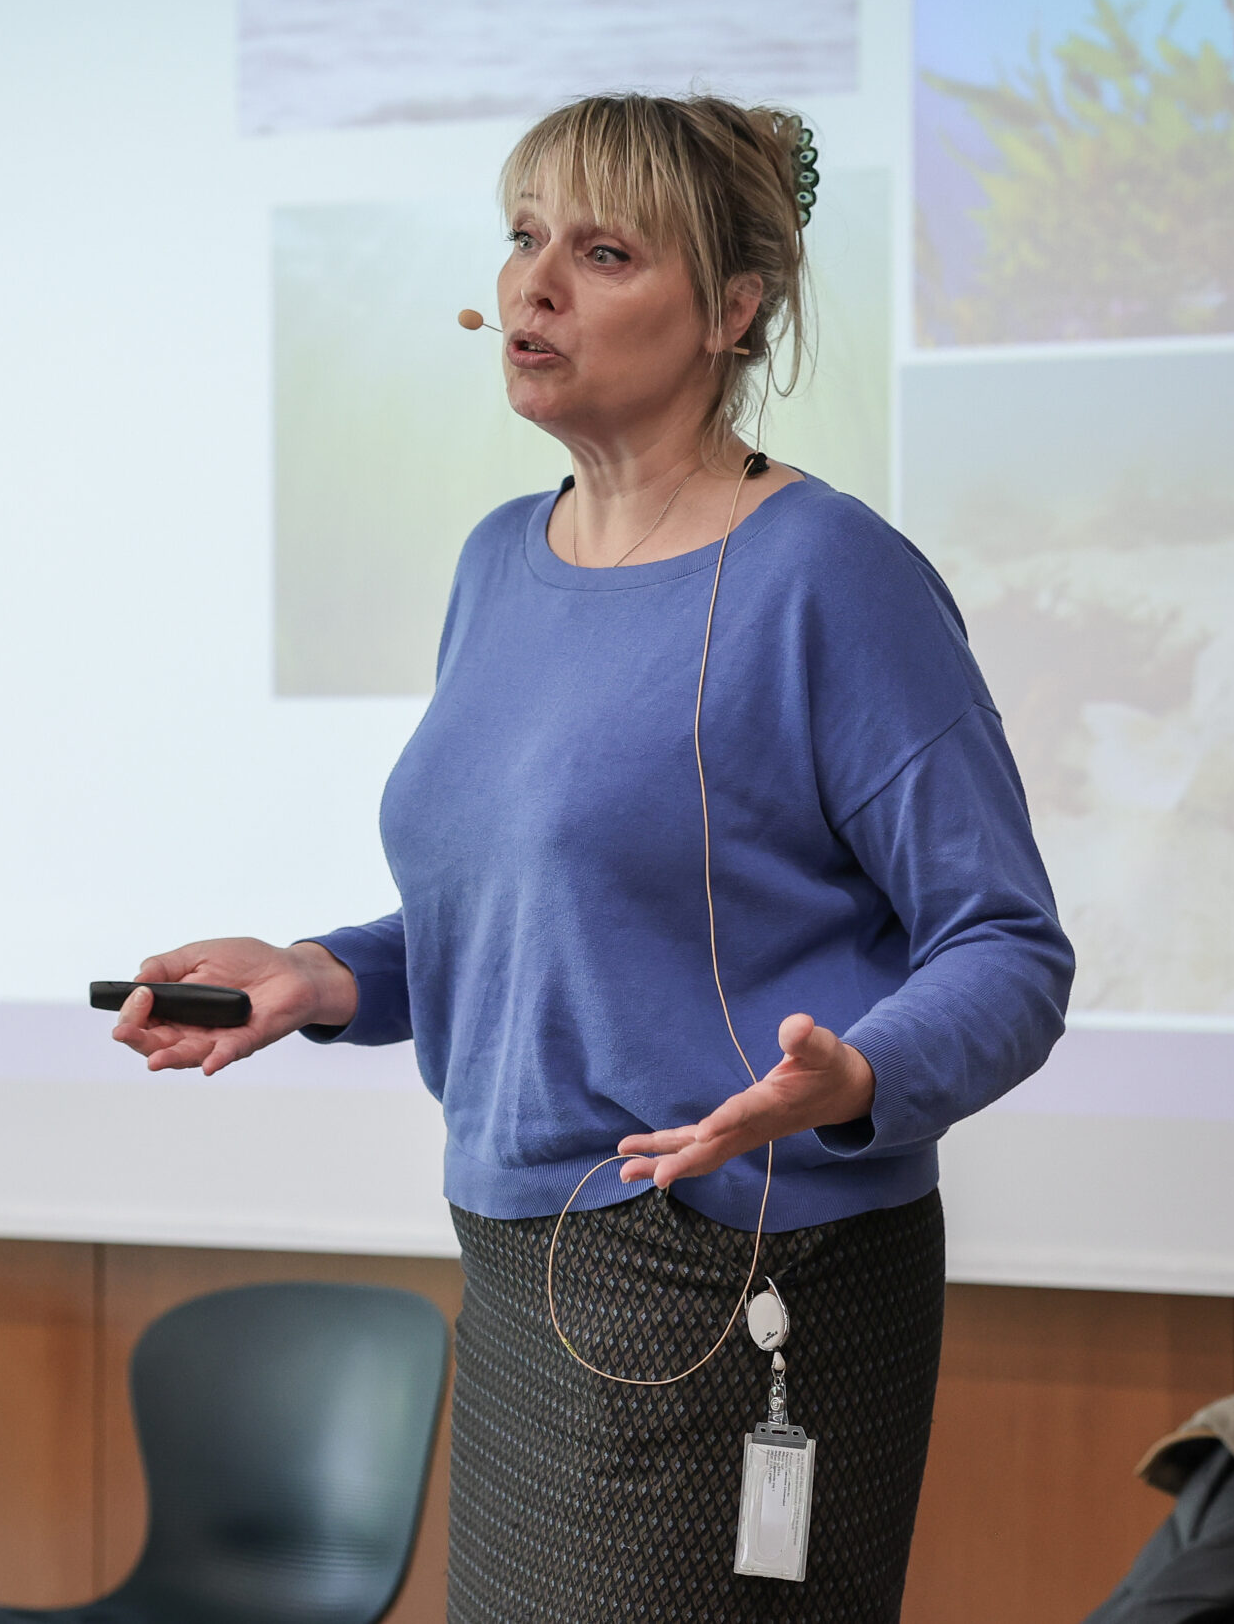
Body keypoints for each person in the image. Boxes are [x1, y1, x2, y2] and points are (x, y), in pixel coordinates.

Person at [112, 93, 1074, 1623]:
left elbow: (1008, 946)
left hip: (744, 1282)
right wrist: (322, 976)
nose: (534, 285)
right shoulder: (499, 560)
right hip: (521, 1278)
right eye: (522, 238)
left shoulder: (829, 574)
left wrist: (859, 1078)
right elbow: (532, 910)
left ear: (734, 310)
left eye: (604, 252)